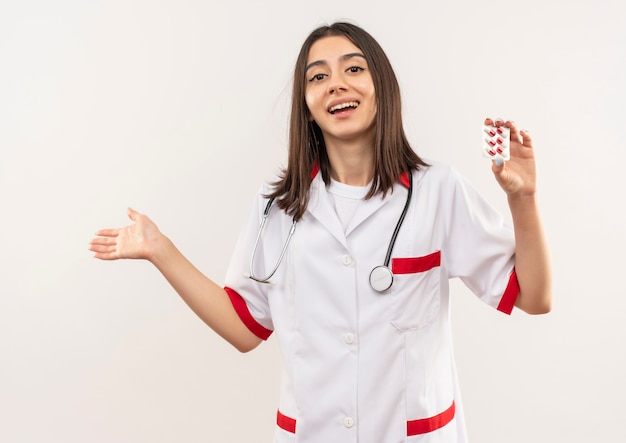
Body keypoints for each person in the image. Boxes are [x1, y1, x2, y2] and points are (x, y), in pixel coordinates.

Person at [90, 21, 551, 443]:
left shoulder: (438, 192)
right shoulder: (277, 209)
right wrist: (161, 250)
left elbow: (534, 297)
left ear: (381, 89)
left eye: (353, 68)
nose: (336, 84)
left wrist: (523, 200)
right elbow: (246, 327)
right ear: (308, 107)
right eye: (318, 77)